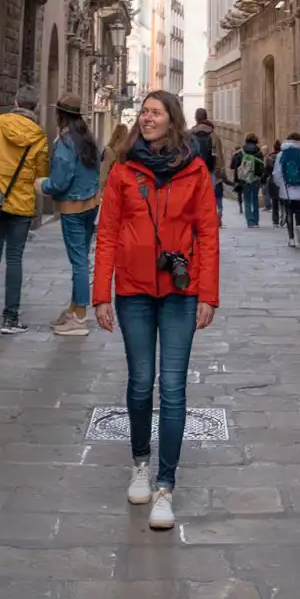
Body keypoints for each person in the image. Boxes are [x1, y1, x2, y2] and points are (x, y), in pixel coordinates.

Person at [93, 90, 219, 531]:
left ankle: (166, 486)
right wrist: (100, 294)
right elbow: (106, 232)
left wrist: (208, 294)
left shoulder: (195, 170)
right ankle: (140, 465)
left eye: (154, 113)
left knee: (173, 387)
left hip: (181, 293)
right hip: (133, 291)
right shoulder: (124, 170)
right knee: (141, 382)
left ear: (172, 120)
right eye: (143, 113)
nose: (146, 118)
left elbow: (208, 233)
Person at [0, 85, 49, 334]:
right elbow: (41, 171)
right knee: (14, 259)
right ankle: (10, 319)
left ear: (16, 102)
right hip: (21, 203)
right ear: (34, 108)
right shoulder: (38, 136)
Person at [41, 93, 101, 338]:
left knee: (78, 262)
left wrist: (43, 185)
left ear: (60, 115)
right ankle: (75, 307)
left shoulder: (65, 142)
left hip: (73, 206)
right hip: (90, 204)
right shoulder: (87, 139)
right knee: (82, 257)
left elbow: (61, 180)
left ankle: (79, 317)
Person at [274, 131, 300, 246]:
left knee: (288, 212)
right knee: (299, 210)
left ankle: (291, 239)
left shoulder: (281, 155)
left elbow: (276, 173)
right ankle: (299, 226)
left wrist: (280, 184)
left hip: (286, 189)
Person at [190, 108, 226, 226]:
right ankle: (211, 217)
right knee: (210, 195)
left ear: (196, 118)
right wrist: (219, 171)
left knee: (195, 196)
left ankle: (197, 217)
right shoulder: (213, 135)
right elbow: (217, 155)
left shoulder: (189, 134)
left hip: (193, 171)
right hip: (209, 170)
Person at [237, 132, 266, 227]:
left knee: (247, 199)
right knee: (255, 199)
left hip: (245, 178)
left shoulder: (242, 151)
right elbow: (262, 166)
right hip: (255, 178)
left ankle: (250, 221)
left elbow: (236, 164)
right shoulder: (259, 152)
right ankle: (256, 221)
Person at [266, 140, 283, 227]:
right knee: (283, 201)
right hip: (282, 182)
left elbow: (267, 171)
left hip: (272, 181)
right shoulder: (284, 157)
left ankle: (275, 221)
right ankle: (284, 216)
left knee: (274, 202)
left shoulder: (269, 158)